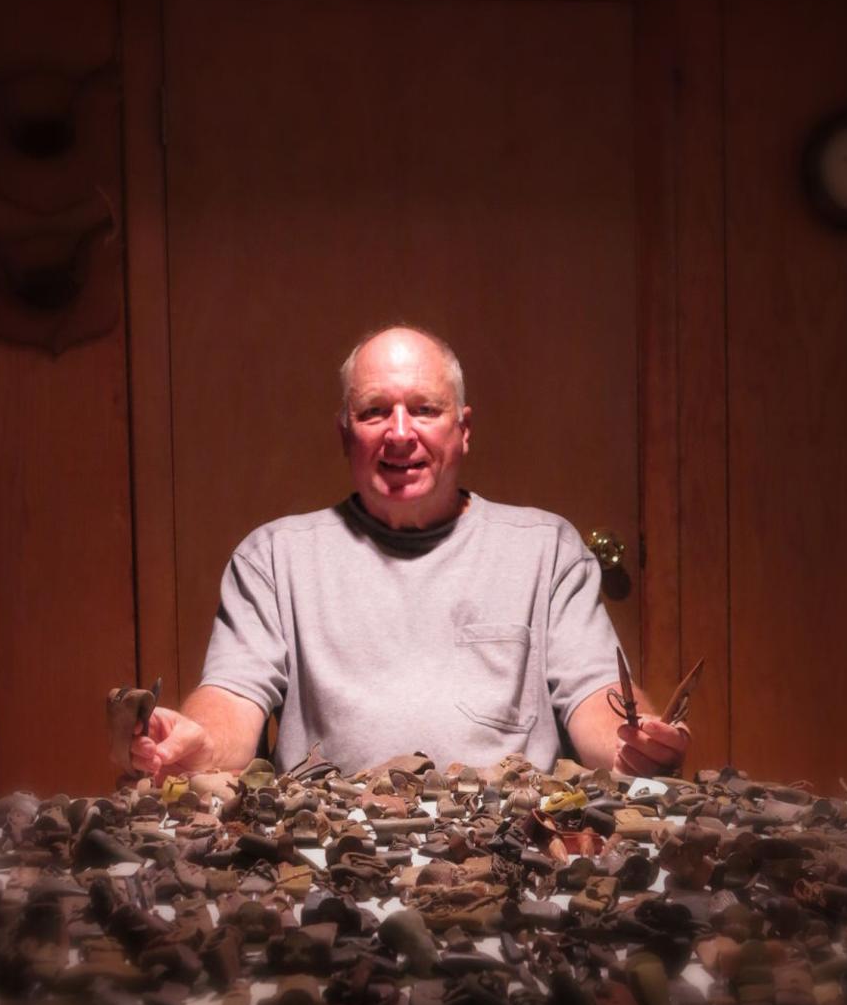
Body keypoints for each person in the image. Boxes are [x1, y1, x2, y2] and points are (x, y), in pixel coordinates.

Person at [128, 326, 689, 782]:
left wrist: (630, 746)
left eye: (424, 409)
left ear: (463, 430)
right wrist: (194, 741)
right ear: (346, 434)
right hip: (330, 851)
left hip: (513, 843)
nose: (400, 434)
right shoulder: (273, 557)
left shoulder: (547, 549)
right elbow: (230, 696)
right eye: (374, 412)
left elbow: (595, 689)